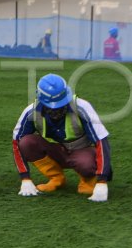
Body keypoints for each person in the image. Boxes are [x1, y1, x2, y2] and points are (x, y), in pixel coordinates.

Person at [13, 73, 112, 202]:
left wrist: (102, 181)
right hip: (55, 152)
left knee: (86, 164)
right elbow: (16, 142)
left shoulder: (82, 107)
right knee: (26, 142)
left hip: (81, 151)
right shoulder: (31, 112)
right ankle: (56, 178)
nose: (58, 109)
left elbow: (101, 141)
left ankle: (89, 181)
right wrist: (25, 178)